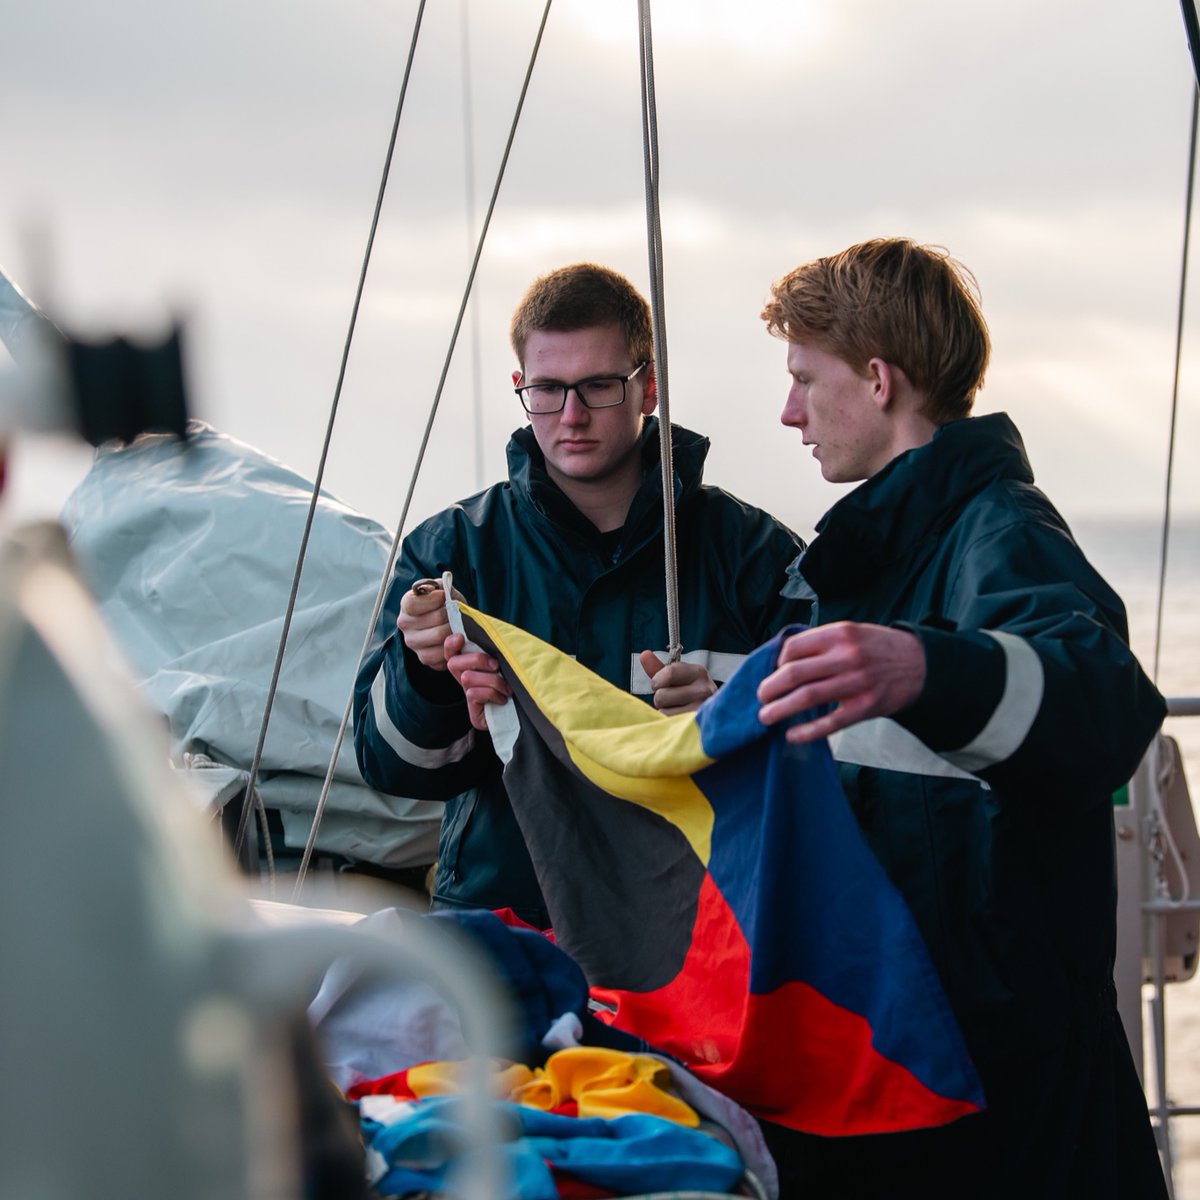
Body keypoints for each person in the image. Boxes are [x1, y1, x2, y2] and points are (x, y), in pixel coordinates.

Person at [754, 237, 1168, 1198]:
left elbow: (1103, 699)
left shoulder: (1002, 532)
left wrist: (924, 666)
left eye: (803, 381)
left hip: (1010, 1110)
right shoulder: (878, 555)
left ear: (878, 378)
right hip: (908, 1066)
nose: (787, 412)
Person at [353, 262, 811, 928]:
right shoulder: (452, 552)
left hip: (698, 940)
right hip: (504, 925)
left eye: (598, 386)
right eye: (546, 389)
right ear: (520, 387)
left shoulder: (755, 558)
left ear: (647, 387)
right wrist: (426, 678)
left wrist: (724, 723)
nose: (571, 415)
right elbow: (391, 769)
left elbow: (821, 772)